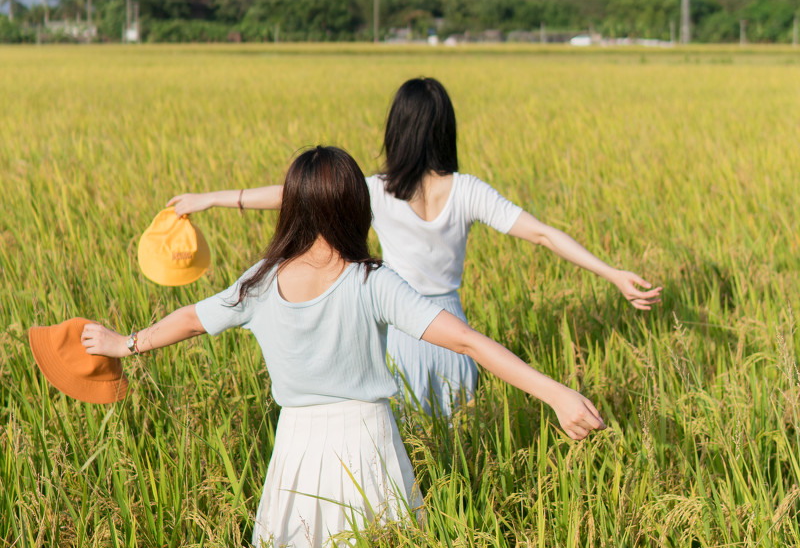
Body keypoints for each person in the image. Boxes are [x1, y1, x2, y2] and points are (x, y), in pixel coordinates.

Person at [83, 147, 605, 548]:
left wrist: (123, 344)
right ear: (355, 206)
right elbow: (466, 340)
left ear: (292, 209)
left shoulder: (260, 282)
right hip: (366, 441)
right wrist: (553, 392)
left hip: (297, 443)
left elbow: (193, 319)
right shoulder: (371, 282)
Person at [167, 78, 661, 414]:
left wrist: (212, 199)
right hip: (451, 330)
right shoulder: (467, 190)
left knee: (409, 447)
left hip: (400, 324)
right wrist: (612, 273)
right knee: (457, 442)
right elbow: (543, 234)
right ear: (445, 129)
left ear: (396, 130)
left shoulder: (377, 188)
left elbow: (290, 195)